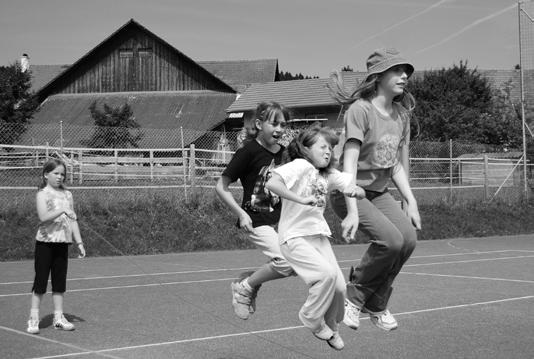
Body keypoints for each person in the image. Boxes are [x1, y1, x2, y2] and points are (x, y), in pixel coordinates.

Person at [328, 48, 422, 332]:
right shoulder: (361, 110)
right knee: (391, 242)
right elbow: (350, 164)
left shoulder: (401, 116)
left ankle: (376, 303)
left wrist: (411, 200)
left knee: (407, 240)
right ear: (378, 76)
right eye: (397, 70)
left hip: (379, 192)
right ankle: (354, 297)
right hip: (349, 190)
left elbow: (393, 165)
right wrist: (353, 210)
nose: (404, 75)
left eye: (405, 71)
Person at [265, 124, 365, 351]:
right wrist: (300, 199)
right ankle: (311, 317)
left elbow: (353, 187)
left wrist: (357, 191)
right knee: (326, 275)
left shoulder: (327, 174)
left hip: (318, 236)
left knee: (340, 287)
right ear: (305, 148)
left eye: (330, 148)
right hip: (294, 236)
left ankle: (331, 327)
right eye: (323, 146)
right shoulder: (300, 165)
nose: (328, 151)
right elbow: (273, 183)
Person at [215, 101, 295, 320]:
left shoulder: (286, 154)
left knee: (299, 263)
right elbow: (220, 186)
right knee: (285, 262)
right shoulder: (247, 152)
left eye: (283, 125)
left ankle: (250, 281)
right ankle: (244, 288)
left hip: (281, 220)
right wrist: (241, 214)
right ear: (259, 123)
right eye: (274, 123)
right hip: (255, 219)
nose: (279, 129)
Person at [26, 159, 86, 334]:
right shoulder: (42, 194)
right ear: (46, 175)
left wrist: (79, 242)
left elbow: (73, 219)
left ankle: (58, 318)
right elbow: (43, 217)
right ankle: (33, 318)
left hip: (62, 244)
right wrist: (62, 210)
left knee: (59, 283)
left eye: (62, 174)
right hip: (45, 244)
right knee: (41, 282)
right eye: (56, 173)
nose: (60, 177)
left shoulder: (68, 195)